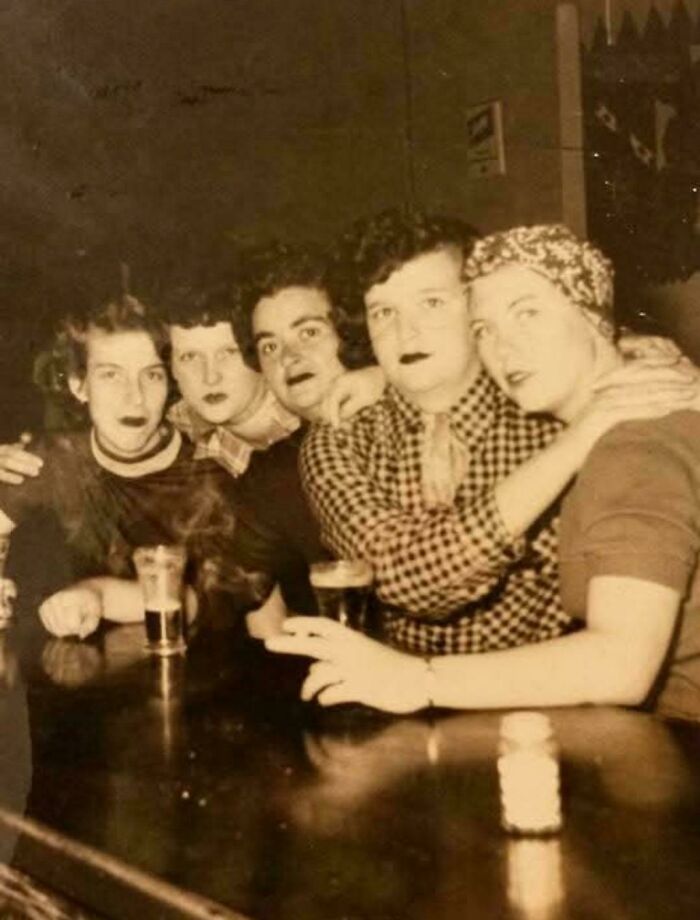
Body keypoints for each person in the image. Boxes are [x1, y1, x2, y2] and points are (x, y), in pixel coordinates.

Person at [267, 224, 700, 722]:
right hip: (396, 707)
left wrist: (635, 359)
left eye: (432, 304)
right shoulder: (341, 432)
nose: (407, 334)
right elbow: (401, 575)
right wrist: (576, 440)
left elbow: (620, 661)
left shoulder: (564, 407)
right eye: (384, 314)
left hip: (555, 713)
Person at [0, 293, 303, 638]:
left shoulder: (212, 475)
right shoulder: (55, 460)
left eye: (152, 376)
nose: (135, 396)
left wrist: (98, 595)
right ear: (79, 385)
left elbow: (225, 607)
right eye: (111, 375)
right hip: (86, 684)